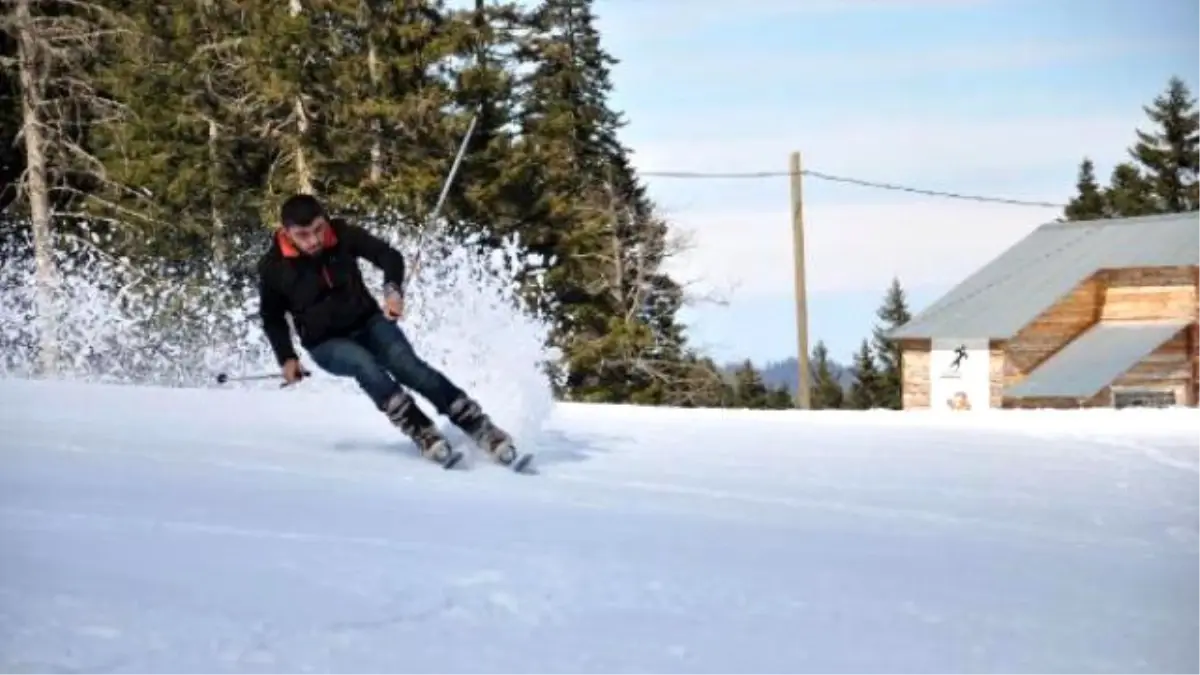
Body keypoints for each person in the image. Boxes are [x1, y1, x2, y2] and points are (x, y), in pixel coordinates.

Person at [256, 193, 516, 466]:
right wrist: (286, 357)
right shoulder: (274, 268)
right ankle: (420, 430)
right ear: (287, 233)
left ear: (325, 220)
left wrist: (392, 290)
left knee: (409, 366)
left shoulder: (343, 235)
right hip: (325, 343)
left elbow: (388, 255)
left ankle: (478, 425)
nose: (314, 240)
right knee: (364, 365)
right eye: (303, 235)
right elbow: (271, 316)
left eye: (319, 229)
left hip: (368, 322)